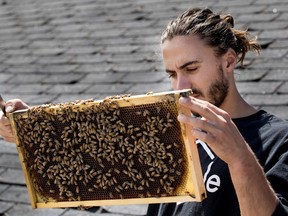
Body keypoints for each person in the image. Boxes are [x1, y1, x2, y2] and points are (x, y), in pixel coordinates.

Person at [0, 7, 287, 216]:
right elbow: (92, 175)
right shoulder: (165, 127)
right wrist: (35, 131)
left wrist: (240, 159)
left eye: (191, 68)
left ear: (228, 61)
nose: (181, 85)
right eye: (172, 74)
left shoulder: (278, 139)